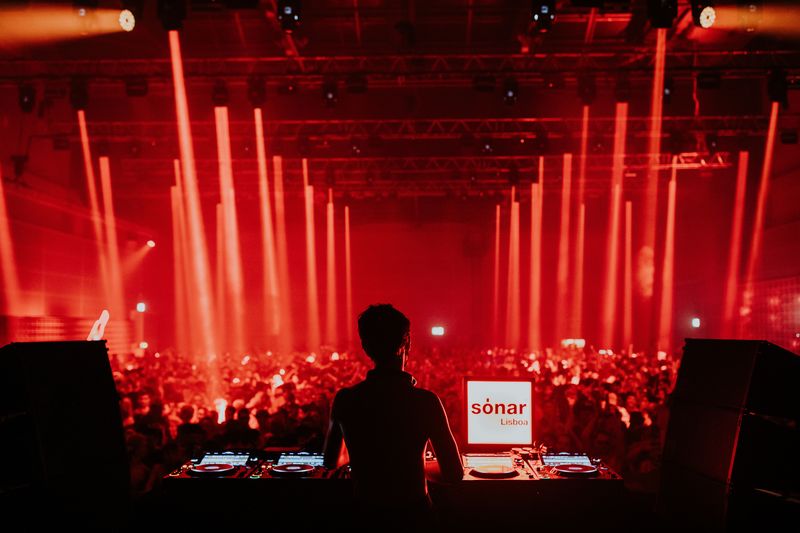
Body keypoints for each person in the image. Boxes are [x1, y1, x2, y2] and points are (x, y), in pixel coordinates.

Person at [323, 304, 463, 525]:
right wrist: (410, 466)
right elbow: (453, 472)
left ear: (365, 346)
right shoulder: (426, 402)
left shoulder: (346, 399)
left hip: (364, 515)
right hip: (415, 517)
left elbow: (331, 461)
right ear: (407, 342)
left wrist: (366, 458)